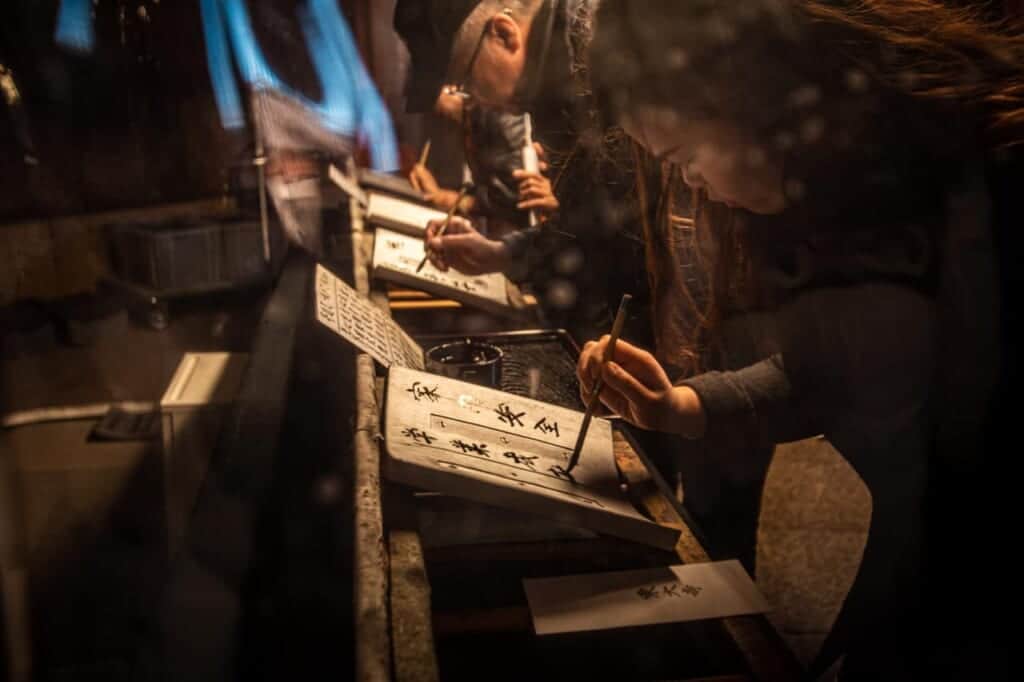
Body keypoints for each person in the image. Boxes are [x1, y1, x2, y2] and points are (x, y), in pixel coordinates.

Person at [581, 1, 1019, 679]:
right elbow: (857, 366)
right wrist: (687, 408)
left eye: (686, 156)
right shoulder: (829, 196)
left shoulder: (982, 183)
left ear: (748, 91)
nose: (691, 184)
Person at [394, 0, 655, 345]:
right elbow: (579, 226)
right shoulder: (550, 87)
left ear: (503, 34)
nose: (476, 102)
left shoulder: (593, 51)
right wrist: (499, 254)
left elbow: (622, 229)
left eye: (466, 83)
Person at [407, 84, 559, 234]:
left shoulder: (500, 118)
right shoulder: (474, 125)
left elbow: (511, 200)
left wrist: (445, 198)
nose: (444, 93)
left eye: (451, 89)